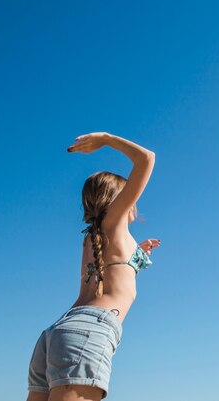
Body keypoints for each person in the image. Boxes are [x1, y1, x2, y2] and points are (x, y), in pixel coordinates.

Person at [26, 132, 160, 401]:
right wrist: (105, 139)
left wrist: (138, 255)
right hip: (88, 332)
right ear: (119, 200)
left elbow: (112, 272)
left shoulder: (92, 237)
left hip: (57, 334)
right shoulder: (114, 222)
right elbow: (146, 159)